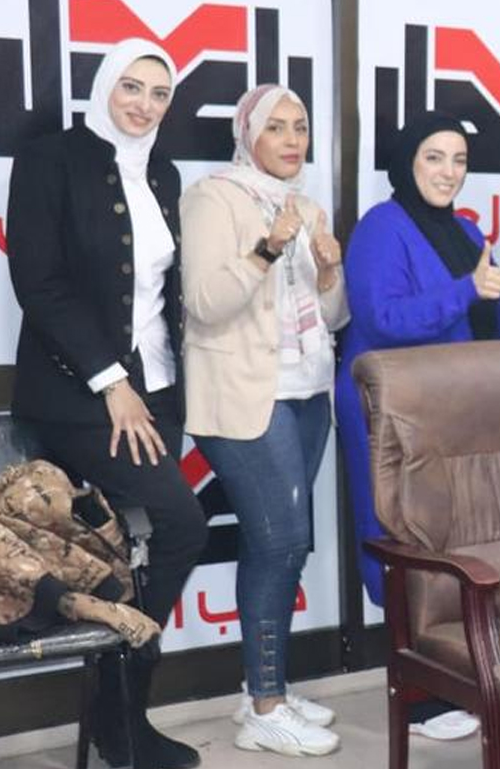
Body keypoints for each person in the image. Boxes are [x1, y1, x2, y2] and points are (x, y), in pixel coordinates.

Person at [5, 38, 208, 769]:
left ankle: (123, 720)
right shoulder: (50, 160)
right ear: (104, 86)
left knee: (132, 550)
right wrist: (109, 381)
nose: (144, 104)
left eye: (159, 92)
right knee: (183, 524)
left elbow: (160, 292)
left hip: (158, 392)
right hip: (80, 396)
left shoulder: (164, 170)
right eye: (131, 86)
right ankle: (119, 720)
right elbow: (39, 281)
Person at [334, 112, 500, 742]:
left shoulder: (467, 230)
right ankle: (416, 698)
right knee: (401, 539)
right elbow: (383, 318)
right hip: (388, 407)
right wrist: (467, 289)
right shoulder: (380, 226)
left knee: (449, 542)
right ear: (407, 162)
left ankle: (448, 680)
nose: (449, 172)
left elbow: (487, 331)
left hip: (448, 407)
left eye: (459, 160)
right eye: (434, 157)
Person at [178, 84, 347, 756]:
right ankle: (265, 709)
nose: (291, 140)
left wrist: (329, 274)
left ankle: (265, 686)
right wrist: (266, 250)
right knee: (280, 542)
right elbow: (203, 302)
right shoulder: (212, 197)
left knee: (282, 545)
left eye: (299, 127)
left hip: (307, 390)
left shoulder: (307, 205)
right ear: (248, 134)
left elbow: (333, 317)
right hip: (246, 394)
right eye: (275, 127)